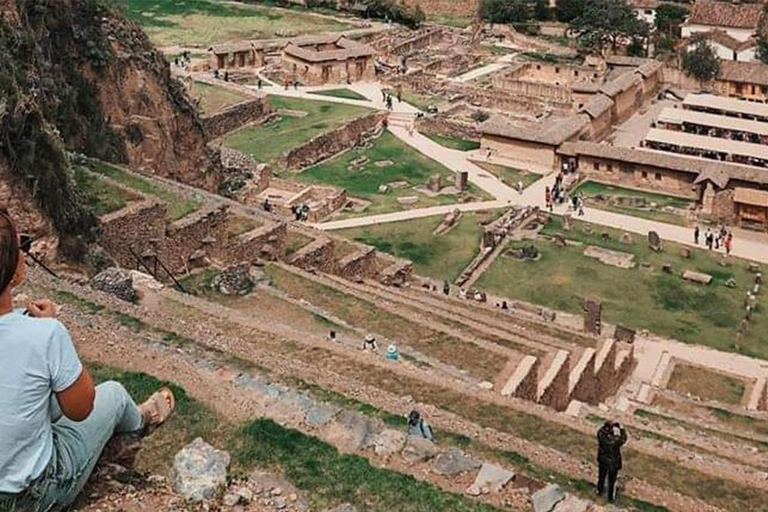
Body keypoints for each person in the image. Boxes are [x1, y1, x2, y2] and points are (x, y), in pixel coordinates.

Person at [0, 208, 175, 511]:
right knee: (115, 395)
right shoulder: (45, 335)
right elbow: (81, 409)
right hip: (28, 495)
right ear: (15, 269)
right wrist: (52, 333)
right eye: (23, 246)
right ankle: (140, 422)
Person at [596, 421, 627, 503]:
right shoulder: (614, 440)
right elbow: (623, 439)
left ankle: (599, 491)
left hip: (602, 460)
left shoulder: (600, 434)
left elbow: (601, 430)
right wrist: (622, 430)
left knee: (601, 477)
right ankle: (610, 498)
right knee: (611, 482)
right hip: (613, 463)